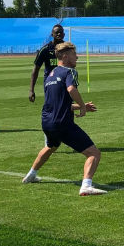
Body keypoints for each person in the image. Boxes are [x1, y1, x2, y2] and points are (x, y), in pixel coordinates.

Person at [21, 42, 107, 196]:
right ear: (66, 56)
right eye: (75, 54)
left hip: (47, 122)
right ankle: (86, 186)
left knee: (51, 147)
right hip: (62, 123)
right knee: (94, 153)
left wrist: (80, 106)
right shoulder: (70, 71)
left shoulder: (51, 75)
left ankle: (31, 174)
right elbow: (71, 89)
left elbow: (58, 103)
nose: (77, 57)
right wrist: (81, 106)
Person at [30, 24, 65, 103]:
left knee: (66, 106)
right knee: (52, 106)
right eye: (56, 32)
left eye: (60, 32)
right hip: (51, 83)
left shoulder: (68, 48)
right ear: (52, 34)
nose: (59, 34)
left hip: (65, 82)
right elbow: (36, 69)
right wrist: (31, 90)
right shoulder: (45, 50)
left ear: (64, 34)